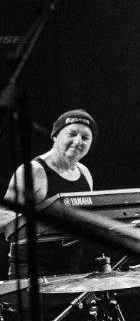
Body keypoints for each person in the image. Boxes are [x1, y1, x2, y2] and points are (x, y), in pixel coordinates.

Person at [1, 109, 97, 278]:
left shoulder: (85, 173)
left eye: (85, 137)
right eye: (72, 134)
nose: (77, 141)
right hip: (33, 274)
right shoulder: (32, 171)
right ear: (55, 136)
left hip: (72, 271)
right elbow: (3, 220)